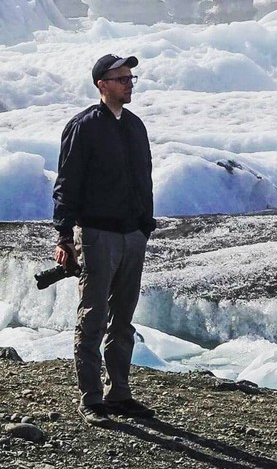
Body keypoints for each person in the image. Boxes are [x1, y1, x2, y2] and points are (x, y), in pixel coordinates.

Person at [53, 54, 157, 427]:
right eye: (121, 78)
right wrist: (65, 236)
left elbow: (143, 179)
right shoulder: (83, 127)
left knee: (123, 319)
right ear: (102, 84)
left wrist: (145, 225)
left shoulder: (134, 126)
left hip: (132, 234)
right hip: (96, 234)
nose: (129, 83)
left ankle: (120, 394)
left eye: (131, 77)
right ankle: (91, 399)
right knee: (93, 316)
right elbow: (67, 183)